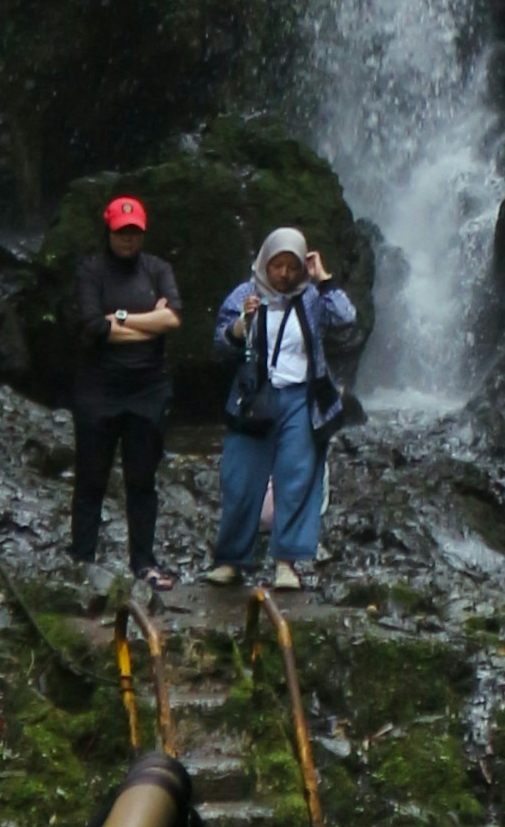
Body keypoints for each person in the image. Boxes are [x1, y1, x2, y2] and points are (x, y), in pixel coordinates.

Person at [204, 224, 358, 594]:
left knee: (297, 478)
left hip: (301, 399)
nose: (285, 275)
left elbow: (347, 320)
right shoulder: (245, 293)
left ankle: (286, 563)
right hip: (255, 397)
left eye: (292, 267)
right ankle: (231, 561)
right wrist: (241, 326)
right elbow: (220, 344)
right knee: (240, 480)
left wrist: (324, 279)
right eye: (278, 266)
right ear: (265, 262)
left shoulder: (313, 297)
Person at [67, 192, 181, 601]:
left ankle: (144, 562)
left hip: (149, 391)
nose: (127, 239)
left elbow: (174, 319)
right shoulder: (92, 270)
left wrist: (119, 320)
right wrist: (147, 322)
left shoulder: (157, 269)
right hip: (99, 391)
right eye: (121, 232)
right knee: (91, 479)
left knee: (142, 480)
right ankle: (81, 559)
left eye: (134, 232)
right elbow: (92, 325)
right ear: (109, 231)